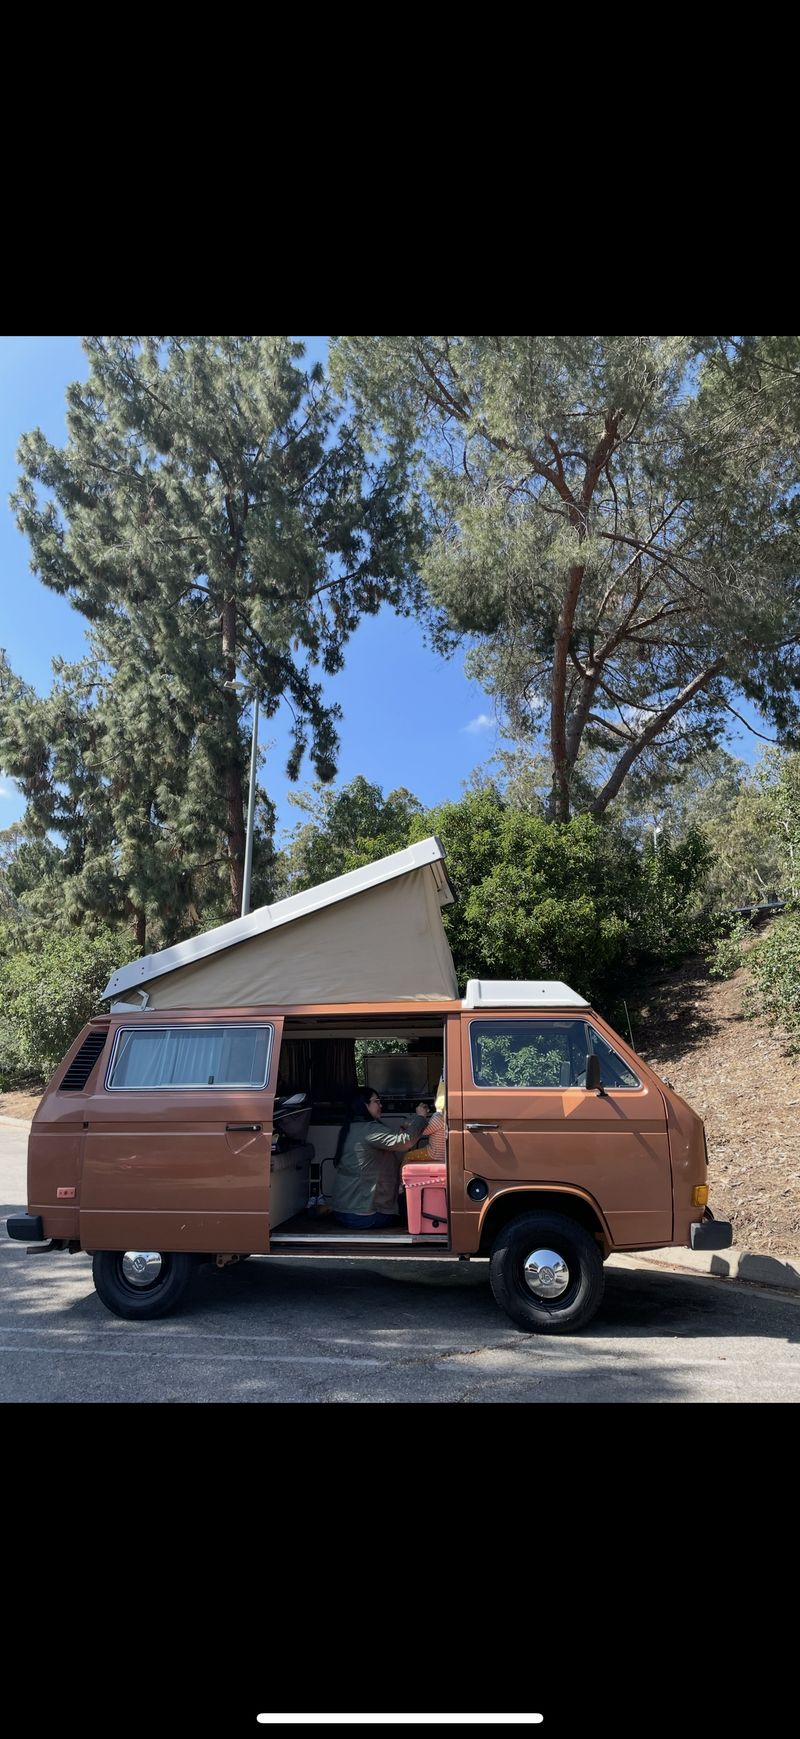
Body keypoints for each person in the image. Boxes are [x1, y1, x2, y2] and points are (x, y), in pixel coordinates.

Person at [331, 1090, 429, 1228]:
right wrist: (421, 1117)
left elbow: (394, 1141)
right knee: (416, 1205)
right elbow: (404, 1142)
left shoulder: (351, 1128)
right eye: (376, 1101)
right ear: (364, 1105)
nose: (380, 1105)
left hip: (342, 1211)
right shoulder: (370, 1130)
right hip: (364, 1216)